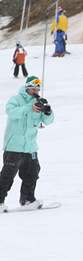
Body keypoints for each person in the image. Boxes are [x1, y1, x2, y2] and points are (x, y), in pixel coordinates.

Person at [0, 76, 55, 212]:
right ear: (27, 87)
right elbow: (11, 112)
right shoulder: (16, 100)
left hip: (30, 147)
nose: (36, 90)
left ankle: (27, 200)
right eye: (34, 87)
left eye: (38, 87)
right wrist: (29, 108)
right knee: (8, 175)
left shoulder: (38, 102)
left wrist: (48, 112)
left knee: (32, 172)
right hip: (14, 146)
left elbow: (47, 122)